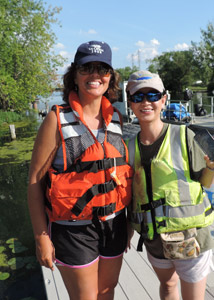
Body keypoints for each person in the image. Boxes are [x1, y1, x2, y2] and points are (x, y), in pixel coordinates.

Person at [27, 40, 133, 300]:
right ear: (74, 75)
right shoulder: (56, 119)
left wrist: (129, 222)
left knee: (107, 293)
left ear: (111, 77)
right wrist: (41, 237)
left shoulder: (117, 119)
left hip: (114, 225)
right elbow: (34, 183)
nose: (95, 75)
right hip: (73, 229)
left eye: (102, 69)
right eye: (86, 68)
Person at [126, 70, 214, 300]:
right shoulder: (128, 148)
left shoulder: (185, 136)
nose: (146, 102)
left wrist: (212, 168)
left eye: (153, 96)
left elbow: (203, 182)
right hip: (154, 238)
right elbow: (129, 197)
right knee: (167, 287)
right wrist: (127, 232)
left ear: (164, 99)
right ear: (130, 103)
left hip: (191, 238)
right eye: (138, 97)